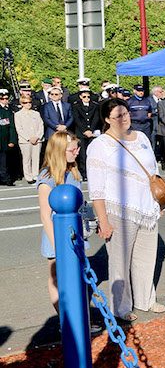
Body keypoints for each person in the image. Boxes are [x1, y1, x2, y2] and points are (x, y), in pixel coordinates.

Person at [88, 98, 164, 322]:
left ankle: (146, 299)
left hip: (147, 207)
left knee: (146, 257)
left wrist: (157, 203)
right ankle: (121, 307)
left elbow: (153, 171)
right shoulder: (100, 144)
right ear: (106, 120)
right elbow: (96, 189)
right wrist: (103, 220)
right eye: (118, 116)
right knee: (120, 262)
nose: (124, 119)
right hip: (119, 210)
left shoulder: (141, 137)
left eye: (126, 113)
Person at [36, 131, 100, 333]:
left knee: (77, 277)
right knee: (57, 277)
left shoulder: (73, 172)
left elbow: (81, 203)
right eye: (73, 149)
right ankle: (65, 320)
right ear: (60, 150)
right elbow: (45, 216)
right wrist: (57, 246)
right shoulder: (47, 177)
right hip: (57, 235)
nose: (77, 152)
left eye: (77, 148)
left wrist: (92, 220)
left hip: (76, 233)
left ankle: (78, 318)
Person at [71, 89, 101, 181]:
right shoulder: (76, 106)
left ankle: (93, 172)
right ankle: (84, 173)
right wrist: (85, 130)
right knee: (83, 154)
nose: (87, 98)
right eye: (84, 97)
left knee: (92, 153)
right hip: (81, 132)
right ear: (80, 97)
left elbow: (96, 118)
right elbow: (77, 119)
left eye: (88, 96)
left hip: (91, 132)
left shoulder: (95, 105)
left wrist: (90, 130)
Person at [14, 93, 43, 184]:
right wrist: (29, 138)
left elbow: (41, 126)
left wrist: (37, 136)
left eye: (30, 102)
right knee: (26, 159)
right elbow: (19, 129)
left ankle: (35, 175)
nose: (28, 104)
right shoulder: (18, 115)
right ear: (21, 103)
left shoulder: (36, 113)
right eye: (25, 102)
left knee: (36, 158)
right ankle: (28, 176)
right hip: (25, 141)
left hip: (37, 140)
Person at [0, 90, 17, 186]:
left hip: (5, 140)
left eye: (6, 98)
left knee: (5, 161)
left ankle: (5, 178)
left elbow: (11, 127)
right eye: (2, 98)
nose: (4, 100)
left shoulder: (9, 110)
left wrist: (12, 140)